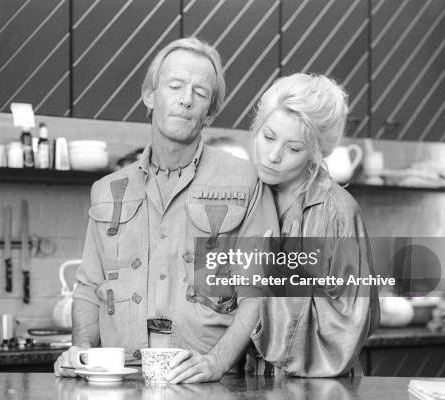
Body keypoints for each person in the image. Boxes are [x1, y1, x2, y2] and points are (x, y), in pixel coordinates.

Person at [54, 37, 278, 382]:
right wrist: (79, 353)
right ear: (149, 96)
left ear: (211, 112)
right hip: (120, 383)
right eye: (175, 86)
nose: (186, 99)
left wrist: (215, 363)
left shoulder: (246, 181)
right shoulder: (107, 192)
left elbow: (258, 292)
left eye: (200, 93)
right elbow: (88, 288)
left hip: (206, 385)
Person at [247, 73, 380, 377]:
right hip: (249, 381)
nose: (273, 155)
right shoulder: (247, 192)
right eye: (268, 137)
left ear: (316, 152)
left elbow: (350, 326)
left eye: (293, 149)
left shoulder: (337, 213)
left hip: (315, 388)